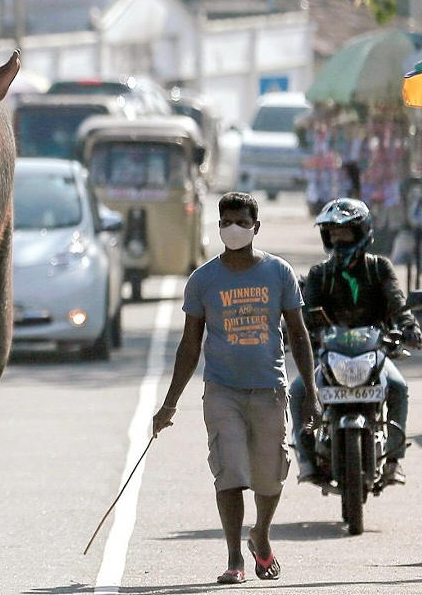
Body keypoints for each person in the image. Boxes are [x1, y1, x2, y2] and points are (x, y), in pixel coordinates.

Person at [152, 192, 317, 585]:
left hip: (269, 390)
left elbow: (298, 333)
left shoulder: (279, 273)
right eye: (227, 221)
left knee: (269, 477)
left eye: (242, 222)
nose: (234, 229)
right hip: (222, 391)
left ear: (256, 227)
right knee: (229, 473)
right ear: (219, 225)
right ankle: (233, 559)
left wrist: (310, 391)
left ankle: (260, 534)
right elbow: (190, 345)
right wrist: (169, 405)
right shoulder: (203, 280)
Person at [293, 197, 421, 484]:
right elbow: (304, 312)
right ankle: (305, 456)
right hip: (330, 354)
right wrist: (298, 334)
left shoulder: (380, 268)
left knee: (399, 387)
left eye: (345, 232)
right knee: (298, 389)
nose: (338, 239)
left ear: (362, 233)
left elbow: (398, 305)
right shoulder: (319, 274)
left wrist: (409, 328)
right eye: (332, 233)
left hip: (373, 352)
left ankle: (393, 460)